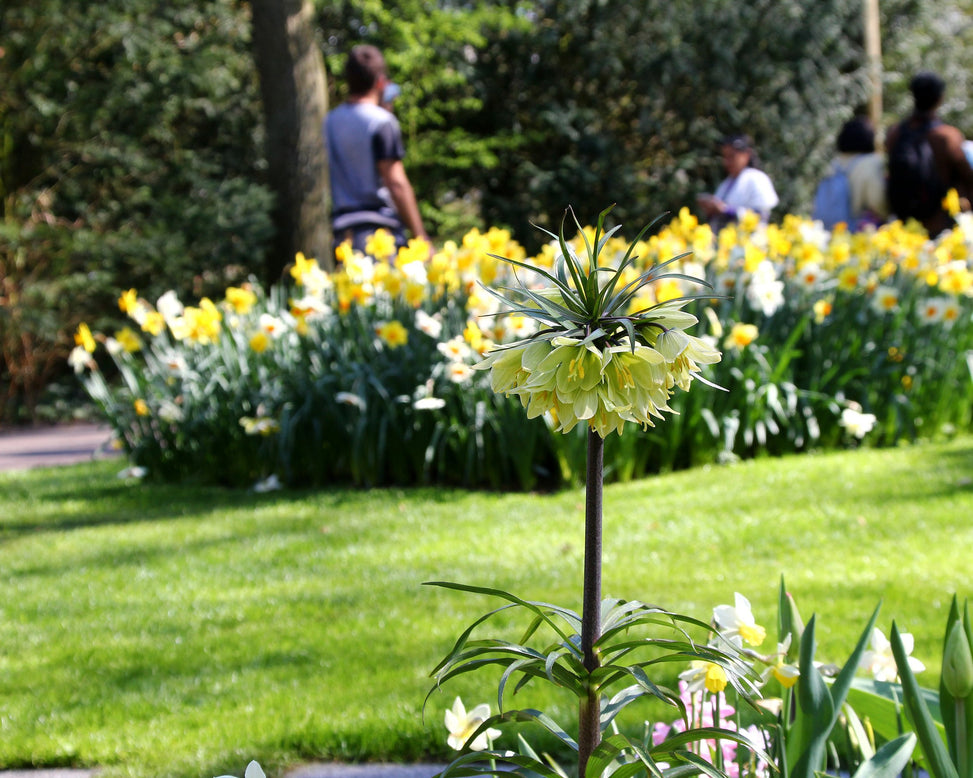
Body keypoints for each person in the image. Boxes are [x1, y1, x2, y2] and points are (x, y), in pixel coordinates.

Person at [324, 45, 430, 255]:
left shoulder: (330, 121)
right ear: (380, 81)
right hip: (380, 235)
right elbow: (396, 183)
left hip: (342, 235)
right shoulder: (381, 122)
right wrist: (421, 238)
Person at [885, 71, 973, 236]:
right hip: (941, 226)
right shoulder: (947, 137)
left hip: (904, 226)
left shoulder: (895, 134)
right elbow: (968, 178)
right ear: (940, 98)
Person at [812, 116, 889, 230]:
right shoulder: (871, 163)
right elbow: (878, 202)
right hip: (857, 234)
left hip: (828, 231)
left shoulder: (834, 163)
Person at [697, 134, 779, 229]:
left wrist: (726, 210)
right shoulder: (726, 183)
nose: (726, 162)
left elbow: (761, 216)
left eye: (731, 156)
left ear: (746, 154)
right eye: (725, 157)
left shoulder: (757, 179)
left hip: (749, 241)